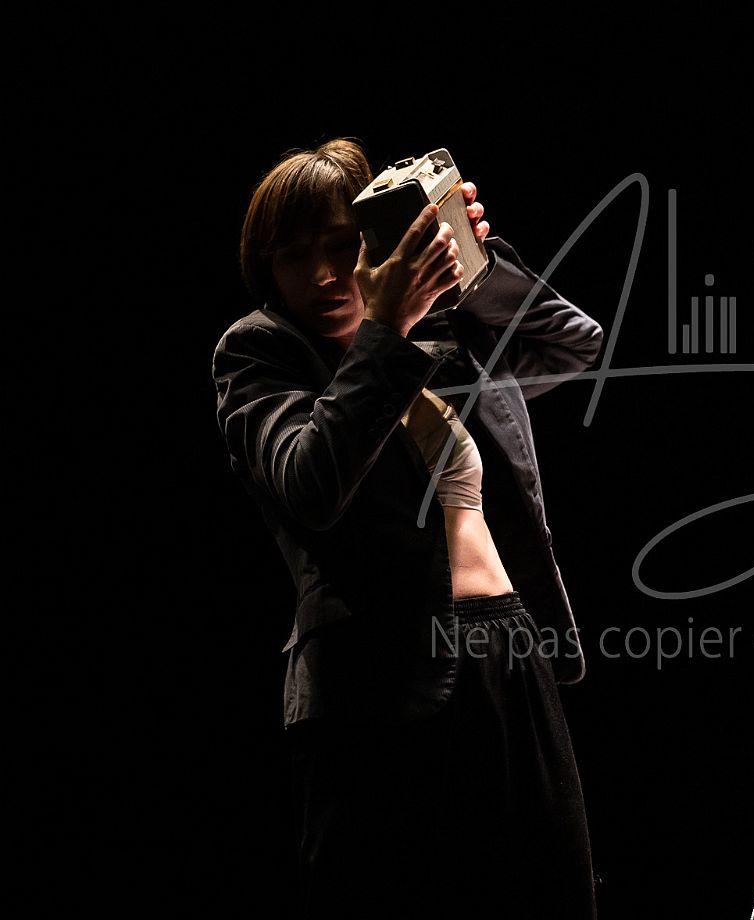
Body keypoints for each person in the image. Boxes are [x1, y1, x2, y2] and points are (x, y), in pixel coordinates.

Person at [211, 138, 603, 916]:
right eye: (294, 256)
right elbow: (311, 483)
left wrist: (470, 262)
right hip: (375, 688)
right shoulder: (260, 352)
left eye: (342, 246)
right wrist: (385, 326)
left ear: (378, 243)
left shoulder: (438, 337)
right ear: (267, 269)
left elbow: (573, 344)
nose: (324, 274)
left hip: (510, 652)